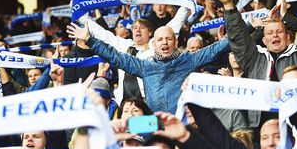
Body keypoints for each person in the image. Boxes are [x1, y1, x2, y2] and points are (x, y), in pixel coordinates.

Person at [216, 0, 297, 132]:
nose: (275, 35)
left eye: (279, 31)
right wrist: (228, 5)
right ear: (264, 41)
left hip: (295, 122)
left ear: (287, 36)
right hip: (258, 126)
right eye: (270, 33)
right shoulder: (254, 58)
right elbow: (239, 37)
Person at [66, 23, 231, 113]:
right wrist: (89, 39)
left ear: (175, 42)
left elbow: (217, 48)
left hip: (185, 122)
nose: (164, 43)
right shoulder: (145, 66)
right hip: (154, 124)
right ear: (154, 44)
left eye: (168, 39)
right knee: (130, 132)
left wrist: (247, 25)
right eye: (160, 40)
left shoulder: (189, 59)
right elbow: (115, 56)